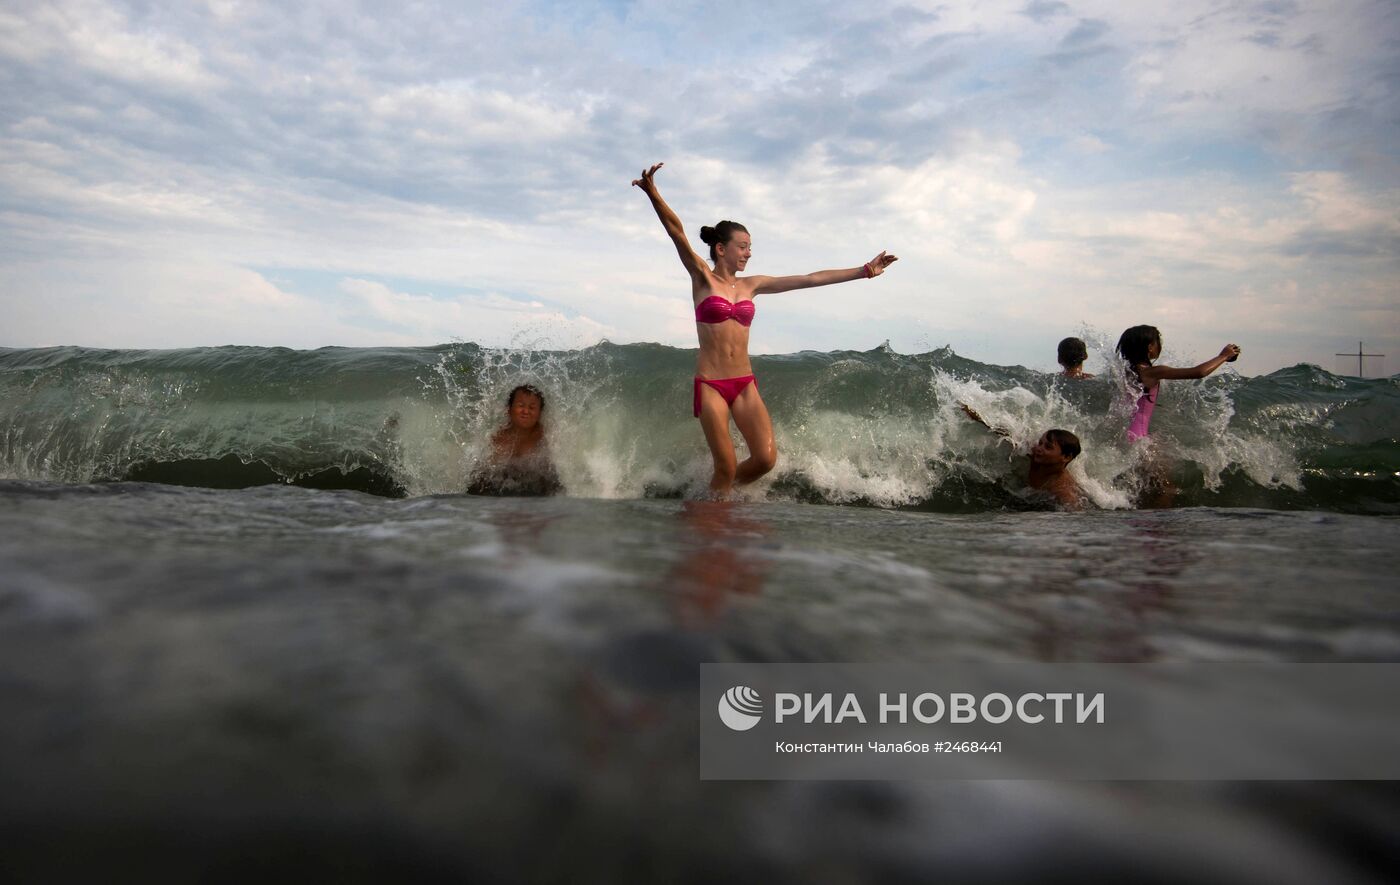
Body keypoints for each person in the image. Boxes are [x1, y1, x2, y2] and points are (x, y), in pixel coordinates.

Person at [632, 162, 898, 496]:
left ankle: (713, 494)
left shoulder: (752, 285)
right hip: (711, 383)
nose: (748, 252)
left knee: (765, 459)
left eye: (749, 247)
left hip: (744, 383)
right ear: (721, 249)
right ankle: (711, 516)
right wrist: (653, 193)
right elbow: (676, 232)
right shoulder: (702, 278)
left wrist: (863, 271)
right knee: (726, 464)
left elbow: (809, 279)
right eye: (742, 246)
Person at [1115, 326, 1240, 442]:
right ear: (1150, 347)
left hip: (1128, 435)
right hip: (1138, 436)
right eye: (1158, 341)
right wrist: (1223, 356)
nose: (1161, 345)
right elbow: (1199, 372)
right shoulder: (1153, 372)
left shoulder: (1127, 372)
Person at [959, 404, 1084, 508]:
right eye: (1040, 443)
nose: (1039, 448)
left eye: (1048, 447)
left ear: (1066, 457)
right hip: (1029, 495)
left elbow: (1075, 513)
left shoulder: (1062, 490)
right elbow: (1009, 435)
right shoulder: (1035, 454)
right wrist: (979, 418)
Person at [466, 384, 562, 496]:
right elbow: (481, 474)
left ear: (539, 413)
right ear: (509, 409)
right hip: (504, 491)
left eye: (532, 407)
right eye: (521, 405)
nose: (526, 411)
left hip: (537, 492)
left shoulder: (546, 437)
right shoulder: (498, 438)